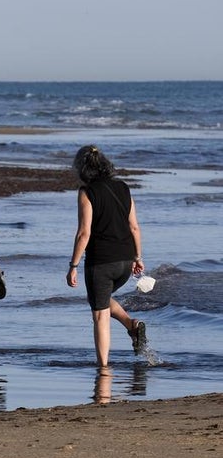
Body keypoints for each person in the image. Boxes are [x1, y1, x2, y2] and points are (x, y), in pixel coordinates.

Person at [66, 145, 148, 367]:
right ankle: (132, 325)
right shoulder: (123, 187)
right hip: (125, 262)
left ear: (82, 169)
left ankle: (103, 369)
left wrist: (73, 265)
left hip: (101, 262)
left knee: (99, 314)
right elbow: (134, 227)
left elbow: (84, 233)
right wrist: (138, 258)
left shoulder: (87, 192)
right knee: (99, 300)